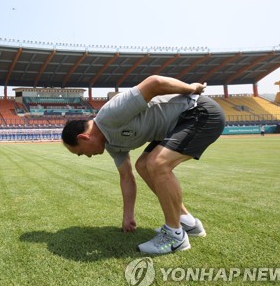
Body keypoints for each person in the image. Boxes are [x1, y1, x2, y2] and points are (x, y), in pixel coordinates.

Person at [61, 75, 225, 254]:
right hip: (178, 124)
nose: (87, 156)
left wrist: (191, 87)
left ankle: (175, 236)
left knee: (157, 163)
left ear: (83, 137)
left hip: (199, 111)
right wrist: (128, 216)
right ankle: (187, 222)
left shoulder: (110, 114)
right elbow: (126, 177)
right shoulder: (112, 145)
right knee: (143, 165)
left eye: (81, 152)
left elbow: (155, 83)